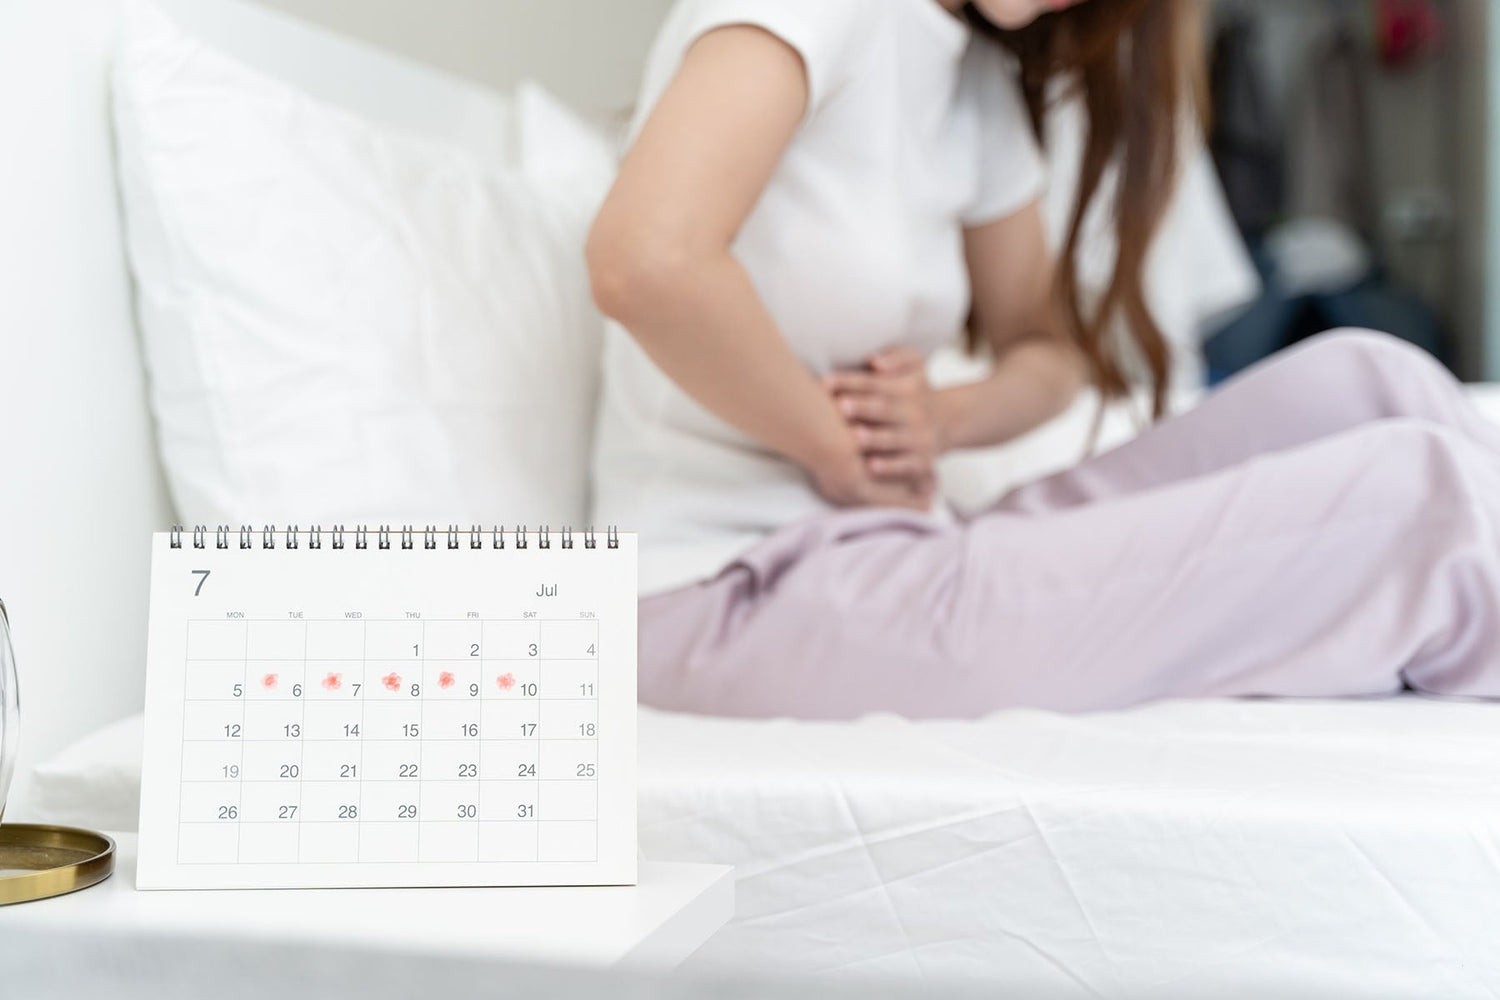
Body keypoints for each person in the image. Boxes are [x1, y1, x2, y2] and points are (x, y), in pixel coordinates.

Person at [585, 0, 1500, 719]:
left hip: (895, 538)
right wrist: (837, 449)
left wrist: (940, 420)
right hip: (721, 590)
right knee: (1421, 503)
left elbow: (1049, 348)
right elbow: (645, 261)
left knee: (1377, 386)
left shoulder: (973, 74)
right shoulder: (810, 9)